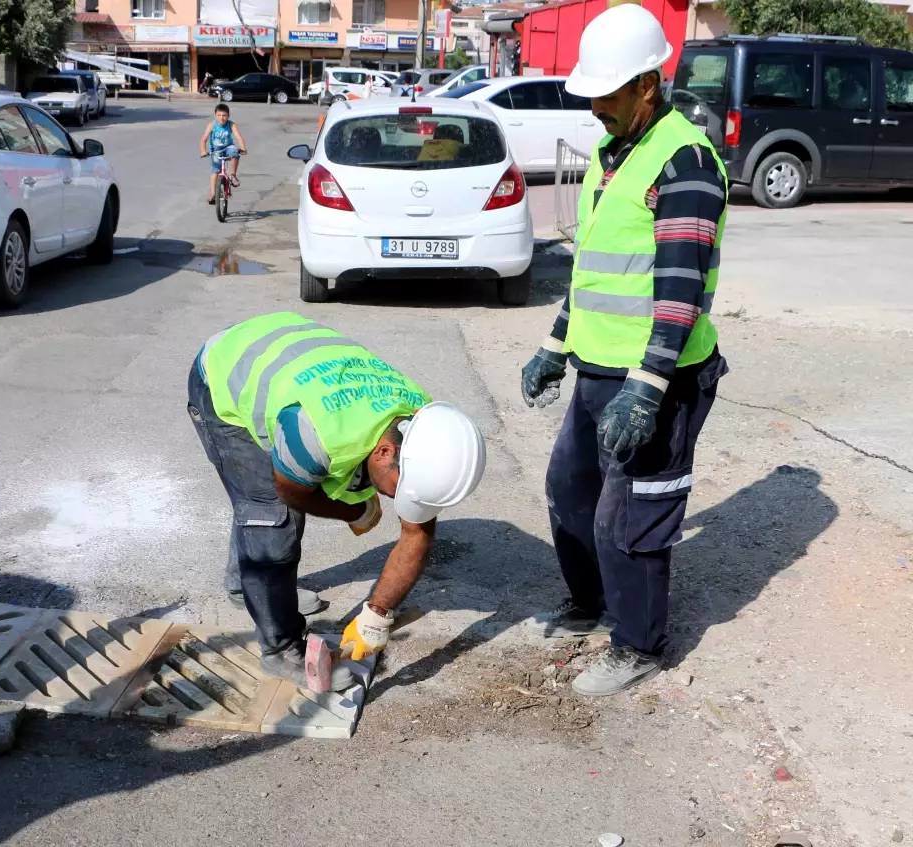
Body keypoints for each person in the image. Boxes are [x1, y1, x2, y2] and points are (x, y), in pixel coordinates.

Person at [520, 3, 730, 697]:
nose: (595, 109)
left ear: (647, 84)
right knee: (570, 490)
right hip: (598, 370)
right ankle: (592, 602)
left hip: (659, 380)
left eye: (605, 94)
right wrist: (556, 344)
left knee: (631, 511)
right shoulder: (616, 156)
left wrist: (648, 387)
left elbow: (678, 292)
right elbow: (596, 273)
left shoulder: (684, 161)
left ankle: (639, 642)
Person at [188, 313, 486, 691]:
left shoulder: (425, 432)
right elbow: (290, 490)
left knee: (263, 510)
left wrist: (376, 616)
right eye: (401, 487)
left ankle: (243, 585)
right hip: (222, 373)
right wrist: (353, 509)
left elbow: (417, 535)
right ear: (383, 452)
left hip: (287, 355)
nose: (399, 498)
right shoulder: (315, 432)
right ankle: (279, 649)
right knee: (270, 514)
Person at [199, 103, 247, 203]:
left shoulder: (231, 124)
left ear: (228, 116)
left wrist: (243, 148)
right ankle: (212, 193)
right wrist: (203, 151)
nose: (222, 118)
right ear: (215, 115)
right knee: (215, 171)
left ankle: (233, 176)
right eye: (219, 115)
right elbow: (203, 139)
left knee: (235, 153)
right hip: (216, 150)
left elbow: (238, 137)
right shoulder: (212, 125)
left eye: (224, 115)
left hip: (228, 147)